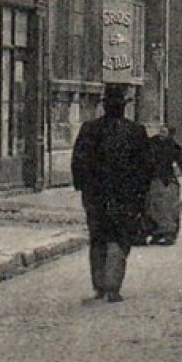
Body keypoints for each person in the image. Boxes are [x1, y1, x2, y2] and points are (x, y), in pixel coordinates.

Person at [71, 84, 153, 302]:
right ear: (123, 107)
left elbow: (78, 162)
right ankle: (113, 286)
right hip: (125, 197)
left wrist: (84, 188)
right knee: (119, 239)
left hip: (96, 196)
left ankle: (100, 285)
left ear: (104, 106)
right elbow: (146, 168)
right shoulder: (136, 131)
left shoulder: (89, 129)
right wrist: (140, 197)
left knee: (98, 238)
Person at [144, 124, 182, 245]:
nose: (161, 134)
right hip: (153, 179)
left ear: (170, 134)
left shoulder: (173, 147)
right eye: (161, 131)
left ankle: (169, 234)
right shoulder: (150, 144)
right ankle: (156, 233)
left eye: (164, 132)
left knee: (169, 207)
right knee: (153, 207)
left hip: (167, 179)